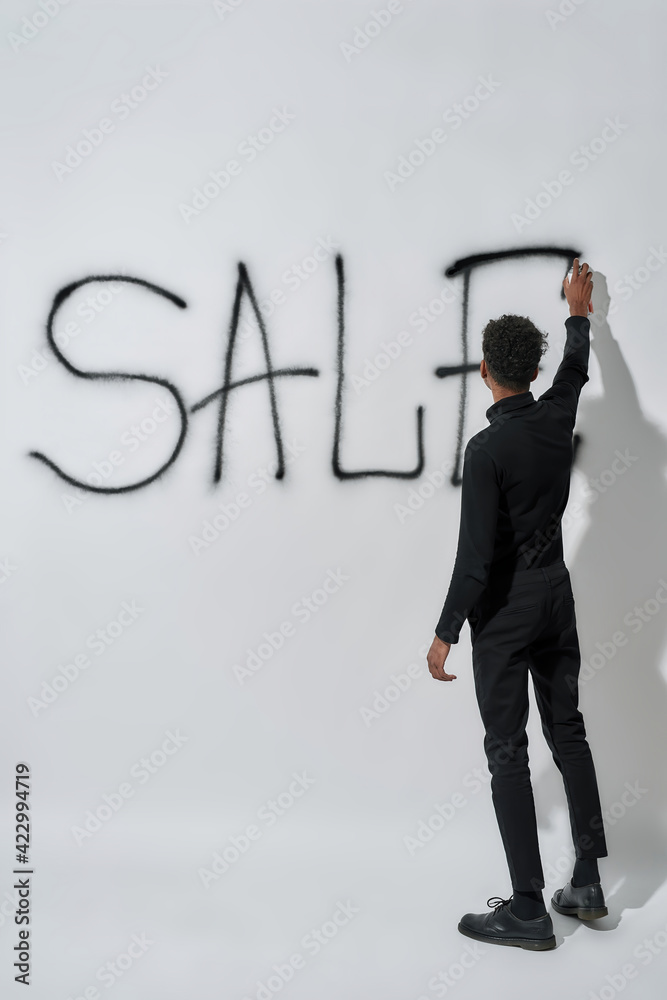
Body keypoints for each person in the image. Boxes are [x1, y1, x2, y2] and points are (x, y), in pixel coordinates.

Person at [426, 260, 608, 951]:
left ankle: (528, 909)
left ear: (484, 372)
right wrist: (576, 312)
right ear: (526, 371)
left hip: (503, 617)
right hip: (554, 597)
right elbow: (575, 369)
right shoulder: (554, 416)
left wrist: (444, 633)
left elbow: (475, 563)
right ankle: (585, 880)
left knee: (508, 750)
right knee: (568, 732)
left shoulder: (486, 449)